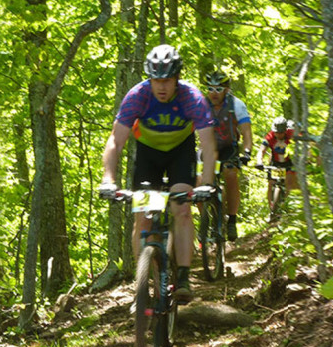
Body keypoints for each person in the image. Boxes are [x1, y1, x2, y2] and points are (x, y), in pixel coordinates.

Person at [99, 44, 217, 304]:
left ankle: (184, 278)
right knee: (143, 218)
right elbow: (115, 141)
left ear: (177, 79)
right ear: (149, 79)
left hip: (180, 154)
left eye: (167, 80)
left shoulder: (192, 98)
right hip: (149, 156)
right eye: (156, 80)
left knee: (181, 208)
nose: (161, 86)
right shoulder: (138, 96)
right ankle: (145, 283)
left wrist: (206, 183)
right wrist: (108, 179)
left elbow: (208, 145)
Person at [202, 71, 253, 241]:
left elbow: (246, 132)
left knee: (230, 173)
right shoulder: (201, 105)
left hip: (228, 148)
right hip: (208, 149)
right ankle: (206, 219)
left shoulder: (236, 105)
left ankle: (232, 219)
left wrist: (247, 152)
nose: (213, 93)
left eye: (218, 89)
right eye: (210, 88)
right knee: (197, 180)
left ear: (226, 89)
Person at [255, 116, 299, 210]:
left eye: (281, 132)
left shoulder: (291, 135)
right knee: (271, 183)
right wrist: (259, 161)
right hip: (275, 163)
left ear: (285, 130)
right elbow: (262, 150)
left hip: (289, 163)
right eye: (276, 132)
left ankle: (285, 207)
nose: (278, 134)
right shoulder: (270, 136)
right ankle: (271, 209)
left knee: (289, 184)